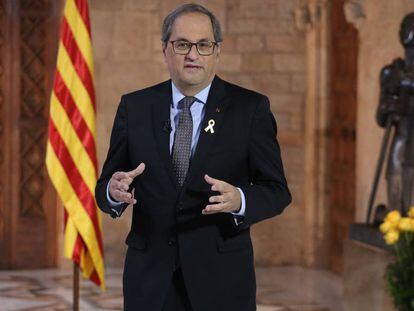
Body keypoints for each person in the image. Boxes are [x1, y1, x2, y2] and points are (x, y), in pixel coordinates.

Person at [95, 3, 291, 311]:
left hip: (222, 280)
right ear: (165, 49)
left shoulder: (249, 109)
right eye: (182, 44)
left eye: (203, 45)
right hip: (150, 281)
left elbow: (277, 191)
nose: (192, 54)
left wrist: (239, 199)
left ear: (217, 51)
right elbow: (106, 185)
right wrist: (113, 191)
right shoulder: (135, 107)